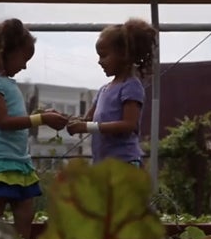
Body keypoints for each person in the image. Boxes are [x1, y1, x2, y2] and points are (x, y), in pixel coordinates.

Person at [0, 18, 68, 239]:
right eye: (24, 58)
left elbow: (16, 117)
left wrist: (41, 113)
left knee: (25, 210)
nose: (25, 65)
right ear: (5, 51)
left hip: (16, 159)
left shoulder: (2, 80)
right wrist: (41, 119)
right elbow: (3, 122)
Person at [67, 18, 156, 167]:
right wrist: (67, 120)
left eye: (104, 55)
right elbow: (87, 120)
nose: (99, 61)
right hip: (104, 165)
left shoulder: (131, 86)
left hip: (125, 164)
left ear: (123, 55)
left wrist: (86, 127)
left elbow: (129, 125)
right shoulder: (104, 90)